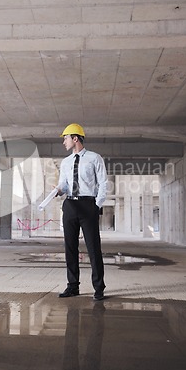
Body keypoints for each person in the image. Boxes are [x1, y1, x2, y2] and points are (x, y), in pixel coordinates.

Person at [56, 123, 108, 300]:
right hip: (70, 205)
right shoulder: (65, 162)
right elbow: (64, 184)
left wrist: (96, 205)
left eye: (66, 138)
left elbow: (103, 183)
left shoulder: (94, 158)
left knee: (94, 248)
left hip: (88, 205)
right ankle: (72, 286)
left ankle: (99, 288)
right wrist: (58, 190)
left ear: (75, 138)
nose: (64, 142)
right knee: (70, 248)